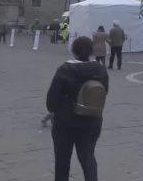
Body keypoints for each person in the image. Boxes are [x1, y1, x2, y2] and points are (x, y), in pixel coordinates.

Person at [46, 36, 109, 181]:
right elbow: (104, 92)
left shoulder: (65, 69)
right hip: (92, 119)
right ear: (91, 51)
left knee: (62, 161)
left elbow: (51, 102)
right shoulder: (100, 70)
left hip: (65, 121)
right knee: (88, 158)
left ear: (74, 51)